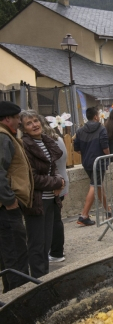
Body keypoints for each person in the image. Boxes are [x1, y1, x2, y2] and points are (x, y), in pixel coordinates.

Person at [20, 110, 64, 279]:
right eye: (29, 123)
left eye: (35, 121)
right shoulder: (25, 144)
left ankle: (44, 278)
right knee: (37, 245)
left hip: (50, 199)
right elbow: (32, 178)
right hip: (36, 201)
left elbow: (54, 169)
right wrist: (57, 182)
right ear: (24, 128)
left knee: (46, 243)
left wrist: (59, 179)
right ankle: (38, 280)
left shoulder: (45, 141)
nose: (34, 125)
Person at [0, 101, 33, 292]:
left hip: (7, 207)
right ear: (7, 119)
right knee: (16, 257)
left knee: (9, 256)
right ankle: (18, 298)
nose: (19, 121)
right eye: (17, 118)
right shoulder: (3, 137)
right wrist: (9, 200)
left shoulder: (6, 136)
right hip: (7, 209)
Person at [73, 107, 113, 226]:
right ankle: (84, 215)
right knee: (95, 185)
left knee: (98, 185)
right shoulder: (101, 129)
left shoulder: (80, 131)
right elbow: (105, 147)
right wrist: (109, 156)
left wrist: (86, 154)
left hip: (87, 162)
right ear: (96, 117)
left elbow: (77, 148)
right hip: (99, 162)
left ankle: (108, 210)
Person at [41, 119, 68, 263]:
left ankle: (57, 252)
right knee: (56, 219)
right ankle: (57, 250)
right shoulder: (57, 138)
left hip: (55, 184)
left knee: (54, 220)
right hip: (61, 182)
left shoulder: (47, 142)